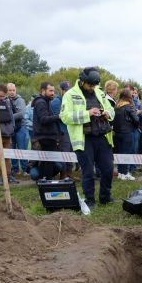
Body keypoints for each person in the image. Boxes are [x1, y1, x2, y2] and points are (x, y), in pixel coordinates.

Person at [60, 67, 115, 209]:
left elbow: (111, 109)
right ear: (82, 81)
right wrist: (87, 113)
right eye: (90, 85)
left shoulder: (99, 92)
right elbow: (64, 117)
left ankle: (105, 197)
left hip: (103, 136)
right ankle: (90, 200)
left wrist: (107, 113)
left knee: (108, 169)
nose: (92, 87)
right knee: (88, 172)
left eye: (94, 85)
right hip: (84, 139)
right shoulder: (70, 95)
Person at [31, 82, 62, 180]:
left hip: (47, 136)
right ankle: (46, 182)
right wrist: (59, 117)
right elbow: (43, 119)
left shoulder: (46, 101)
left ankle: (43, 181)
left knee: (46, 161)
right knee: (49, 161)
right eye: (50, 91)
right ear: (43, 91)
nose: (53, 93)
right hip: (45, 137)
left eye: (53, 91)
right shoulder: (41, 102)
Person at [113, 87, 140, 181]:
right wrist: (138, 116)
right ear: (129, 97)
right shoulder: (129, 106)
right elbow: (136, 120)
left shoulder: (117, 106)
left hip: (117, 133)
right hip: (127, 132)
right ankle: (125, 173)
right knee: (126, 153)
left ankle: (120, 172)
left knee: (120, 152)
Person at [51, 81, 73, 179]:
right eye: (65, 90)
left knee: (70, 152)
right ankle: (63, 175)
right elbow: (59, 117)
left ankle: (69, 173)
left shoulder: (71, 100)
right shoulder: (56, 101)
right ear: (61, 90)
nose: (67, 92)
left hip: (71, 130)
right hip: (62, 131)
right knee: (65, 153)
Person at [8, 83, 28, 177]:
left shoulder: (20, 100)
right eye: (10, 90)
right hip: (11, 128)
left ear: (16, 90)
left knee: (22, 148)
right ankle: (15, 168)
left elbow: (22, 114)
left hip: (21, 127)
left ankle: (25, 169)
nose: (12, 92)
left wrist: (8, 117)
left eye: (13, 90)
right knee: (12, 149)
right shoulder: (5, 100)